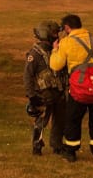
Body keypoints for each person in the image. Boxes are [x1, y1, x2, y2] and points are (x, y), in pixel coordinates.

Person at [50, 14, 93, 163]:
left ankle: (70, 152)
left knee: (73, 120)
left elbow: (56, 65)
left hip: (79, 90)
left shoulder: (67, 42)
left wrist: (55, 50)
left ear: (67, 27)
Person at [24, 20, 66, 156]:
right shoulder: (35, 54)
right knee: (41, 122)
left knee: (60, 121)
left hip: (59, 92)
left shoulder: (58, 50)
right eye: (54, 33)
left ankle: (57, 145)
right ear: (46, 34)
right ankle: (37, 146)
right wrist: (31, 96)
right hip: (44, 94)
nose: (57, 36)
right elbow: (28, 76)